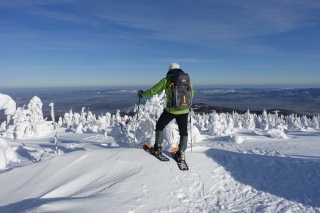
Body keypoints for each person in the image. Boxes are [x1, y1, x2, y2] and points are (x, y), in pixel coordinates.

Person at [137, 63, 194, 162]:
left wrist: (142, 95)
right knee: (183, 131)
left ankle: (157, 148)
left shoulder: (166, 80)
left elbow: (153, 91)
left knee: (160, 126)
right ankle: (181, 153)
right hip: (184, 110)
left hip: (171, 110)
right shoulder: (186, 80)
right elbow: (191, 94)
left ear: (169, 70)